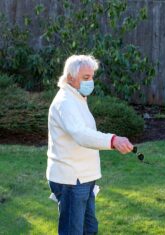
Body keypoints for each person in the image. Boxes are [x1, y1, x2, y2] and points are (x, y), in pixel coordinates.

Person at [46, 55, 134, 234]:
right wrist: (112, 140)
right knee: (73, 231)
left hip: (84, 177)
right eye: (86, 78)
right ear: (70, 77)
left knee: (89, 229)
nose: (91, 82)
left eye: (92, 77)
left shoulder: (77, 97)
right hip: (71, 179)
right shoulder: (65, 102)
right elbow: (81, 134)